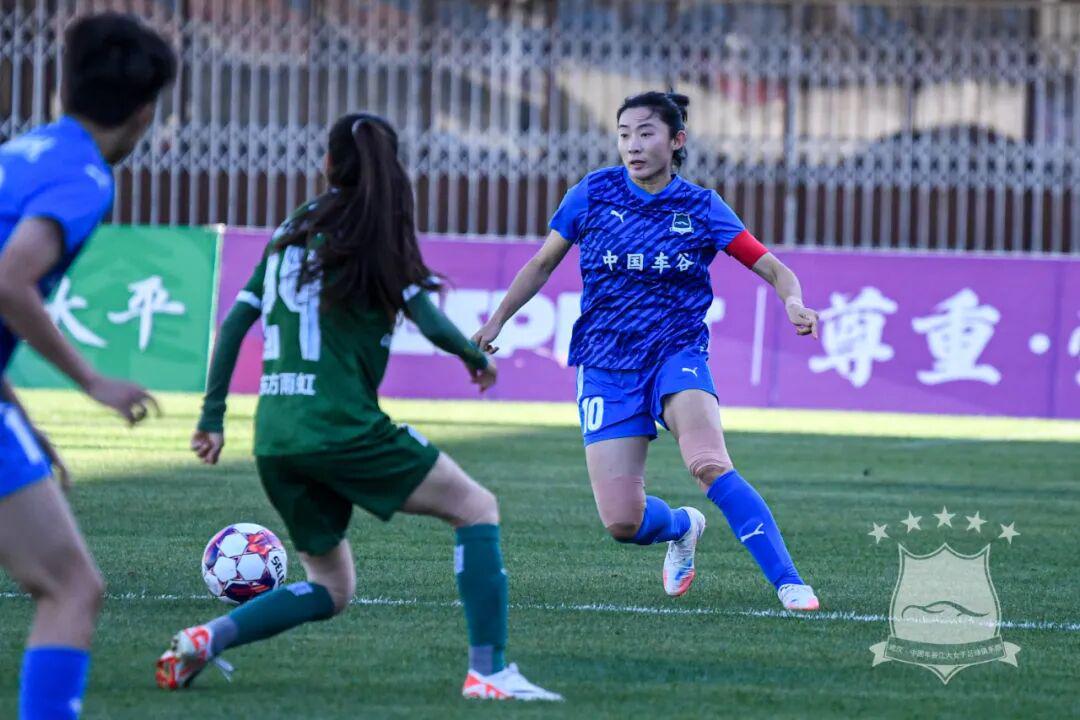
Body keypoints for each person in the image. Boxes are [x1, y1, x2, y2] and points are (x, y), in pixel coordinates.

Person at [155, 113, 561, 702]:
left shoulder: (291, 228)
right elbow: (427, 318)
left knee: (331, 587)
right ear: (392, 166)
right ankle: (489, 673)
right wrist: (475, 357)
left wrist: (212, 417)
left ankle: (207, 638)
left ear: (326, 164)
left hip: (276, 436)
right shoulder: (376, 227)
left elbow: (237, 322)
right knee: (476, 508)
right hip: (341, 426)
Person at [472, 91, 821, 612]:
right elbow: (542, 263)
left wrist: (793, 301)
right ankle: (682, 526)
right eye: (624, 135)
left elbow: (773, 267)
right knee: (622, 522)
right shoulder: (593, 193)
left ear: (677, 141)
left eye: (645, 133)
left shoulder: (702, 207)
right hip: (605, 361)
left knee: (708, 463)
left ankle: (789, 582)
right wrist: (497, 319)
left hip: (675, 353)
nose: (632, 145)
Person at [0, 13, 175, 719]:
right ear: (144, 113)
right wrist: (92, 380)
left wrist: (22, 423)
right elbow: (10, 281)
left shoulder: (19, 154)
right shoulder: (82, 175)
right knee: (72, 588)